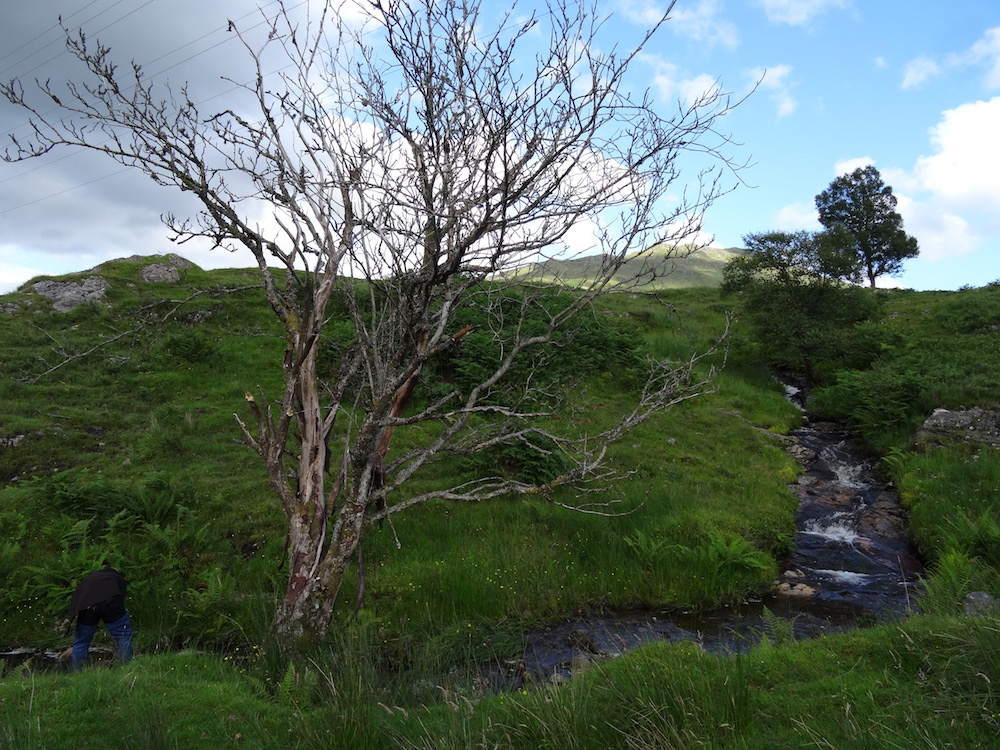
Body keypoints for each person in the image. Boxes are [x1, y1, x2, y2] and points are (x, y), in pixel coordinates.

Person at [68, 566, 133, 670]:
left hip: (88, 606)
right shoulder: (117, 578)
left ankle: (77, 672)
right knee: (123, 635)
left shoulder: (90, 578)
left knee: (81, 642)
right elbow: (120, 597)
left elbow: (77, 599)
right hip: (110, 603)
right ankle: (125, 667)